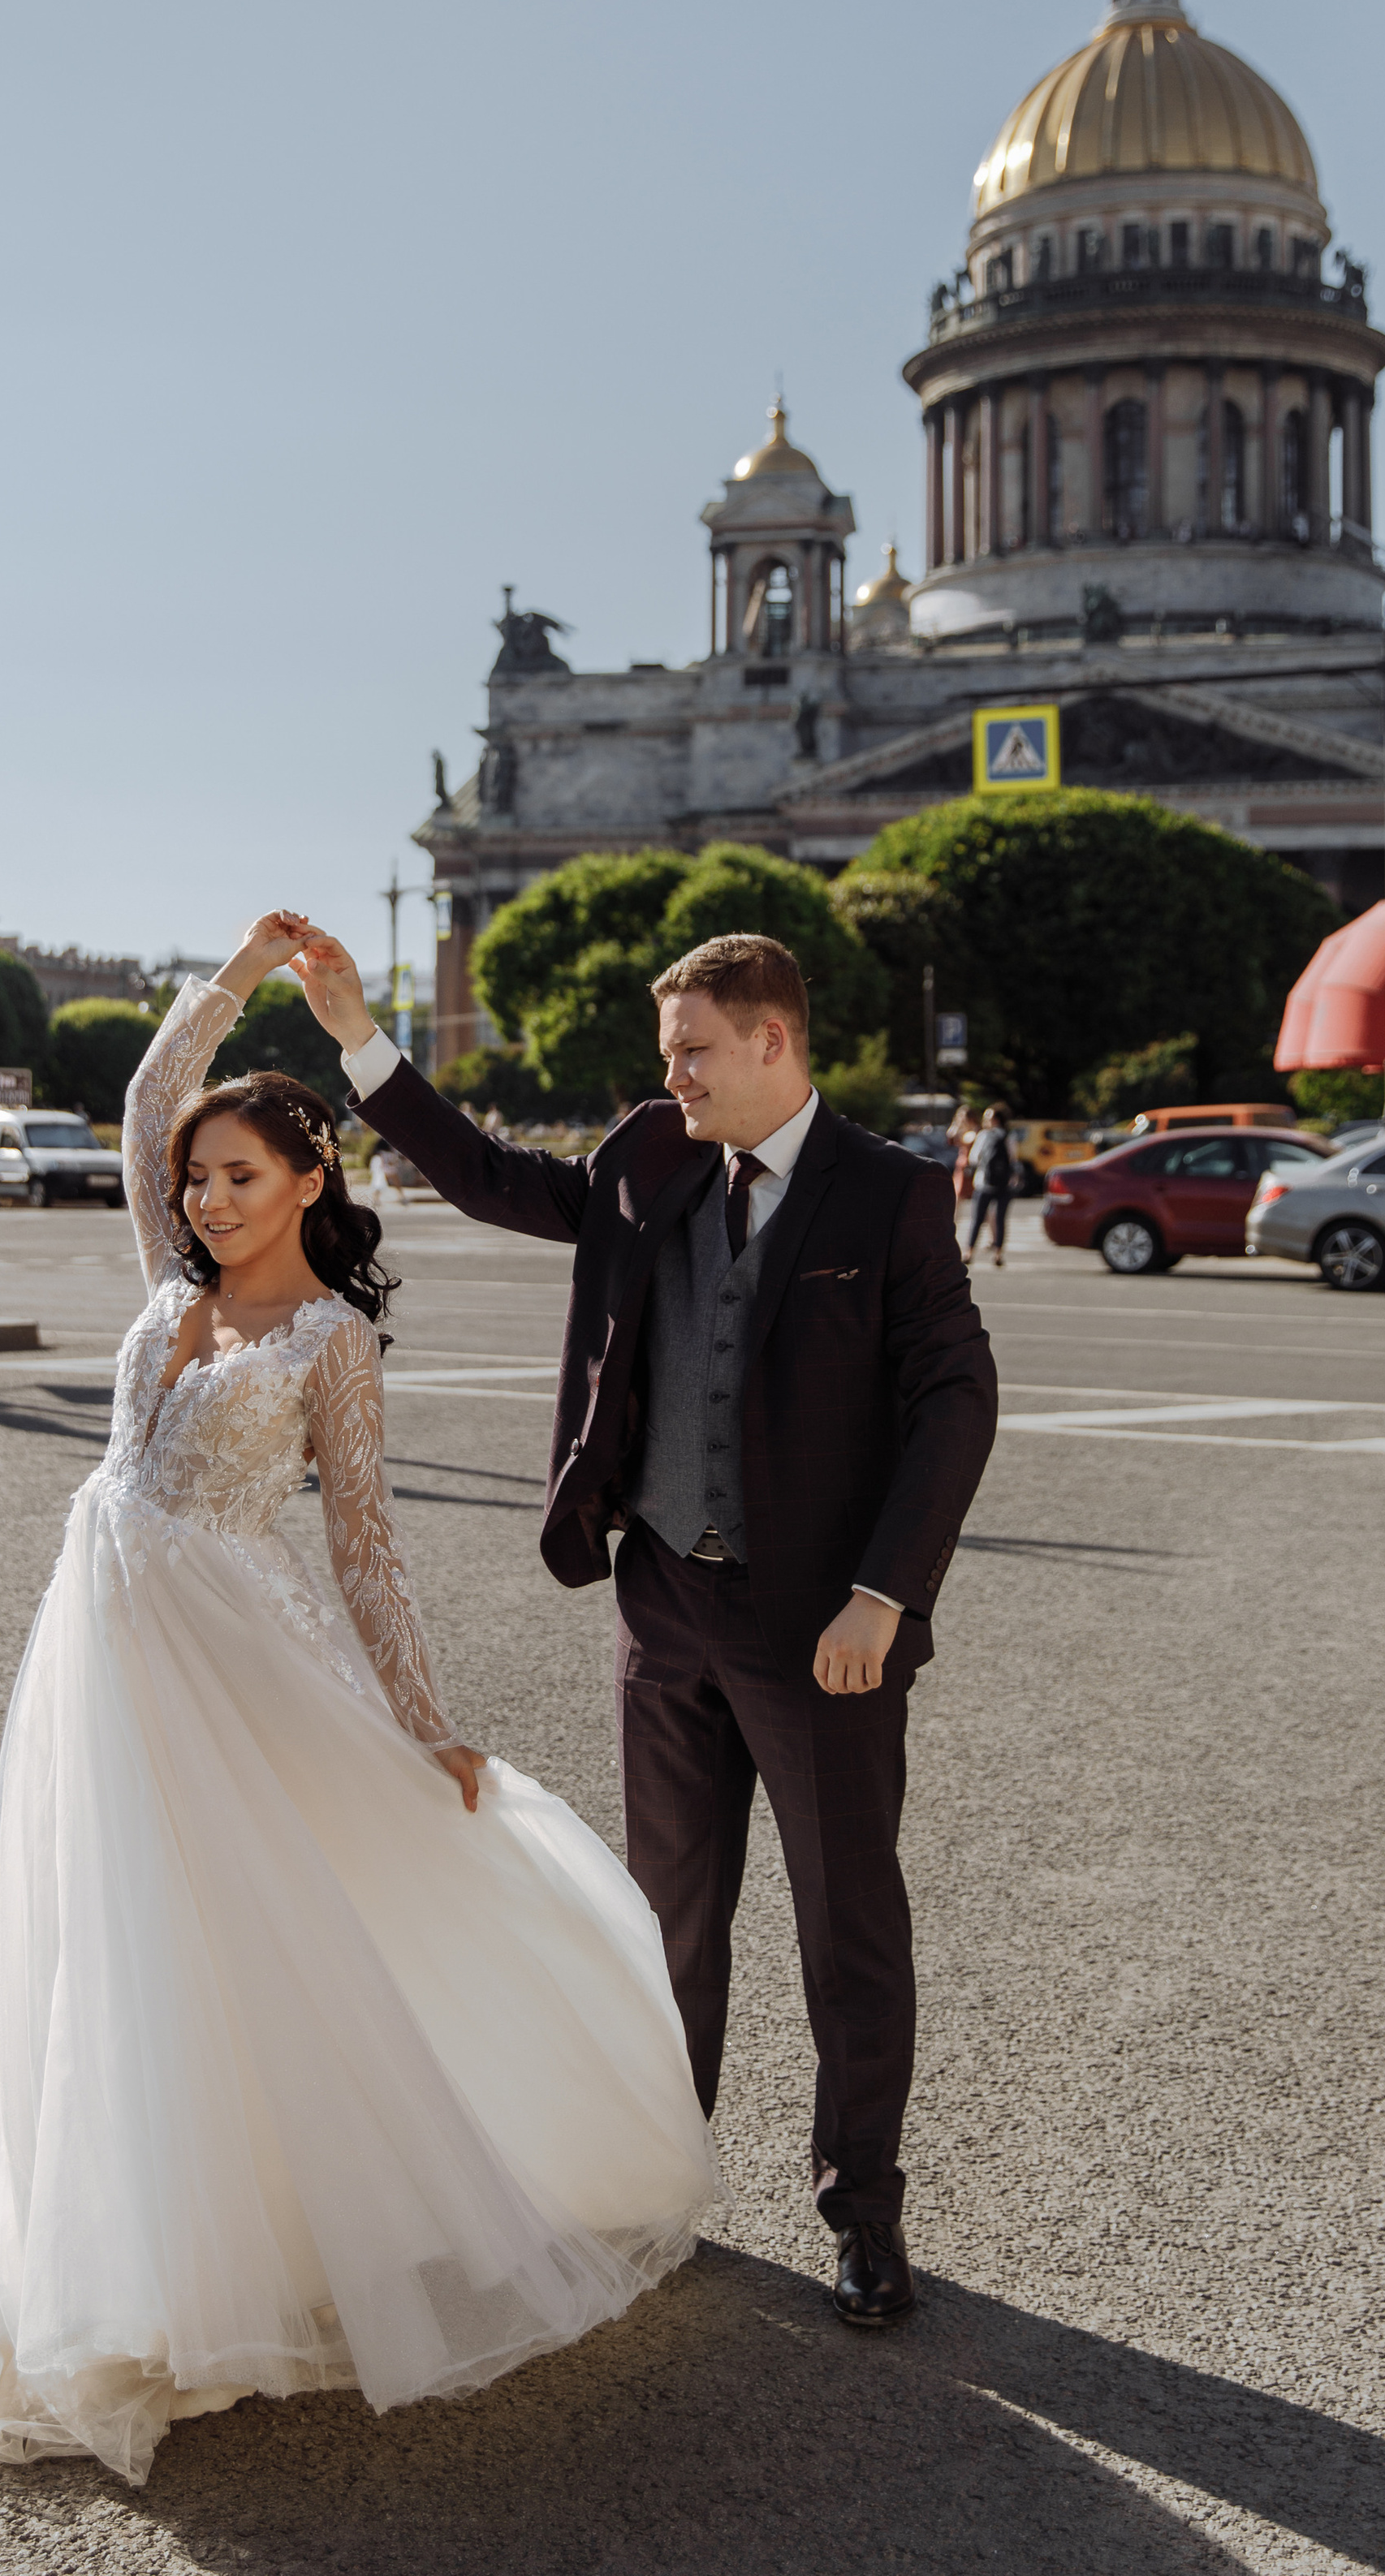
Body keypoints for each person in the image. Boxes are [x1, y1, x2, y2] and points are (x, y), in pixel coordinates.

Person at [0, 911, 716, 2488]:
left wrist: (420, 1721)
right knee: (113, 1944)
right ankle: (127, 2254)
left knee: (242, 1939)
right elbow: (145, 1106)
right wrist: (230, 984)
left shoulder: (332, 1339)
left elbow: (368, 1552)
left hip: (225, 1651)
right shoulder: (168, 1272)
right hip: (103, 1651)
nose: (203, 1196)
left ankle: (259, 2255)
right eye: (197, 1182)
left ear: (311, 1183)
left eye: (238, 1177)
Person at [296, 925, 996, 2327]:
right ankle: (659, 2185)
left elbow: (955, 1404)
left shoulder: (895, 1199)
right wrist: (362, 1039)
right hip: (666, 1603)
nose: (668, 1075)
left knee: (847, 1929)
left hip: (824, 1630)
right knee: (670, 1925)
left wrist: (883, 1592)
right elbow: (495, 1178)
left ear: (772, 1043)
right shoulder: (650, 1157)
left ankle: (863, 2213)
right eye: (666, 1052)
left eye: (691, 1052)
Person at [964, 1106, 1016, 1271]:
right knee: (1000, 1219)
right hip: (1003, 1183)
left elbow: (973, 1158)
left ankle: (969, 1252)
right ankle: (998, 1254)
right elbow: (1013, 1158)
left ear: (995, 1120)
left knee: (977, 1219)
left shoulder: (983, 1136)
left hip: (983, 1182)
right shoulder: (1009, 1136)